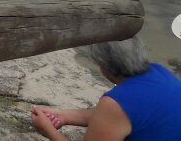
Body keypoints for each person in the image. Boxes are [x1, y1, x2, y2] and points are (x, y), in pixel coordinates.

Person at [30, 37, 181, 140]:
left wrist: (49, 131)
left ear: (104, 66)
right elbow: (122, 117)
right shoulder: (160, 71)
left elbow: (114, 113)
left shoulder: (115, 102)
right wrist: (63, 116)